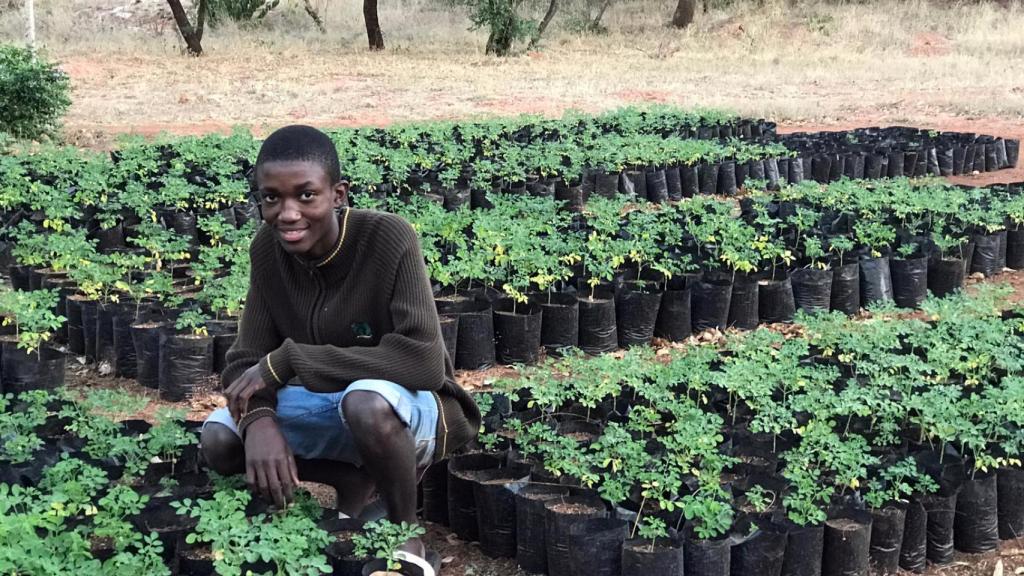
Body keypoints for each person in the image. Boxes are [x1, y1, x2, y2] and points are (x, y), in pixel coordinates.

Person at [200, 125, 480, 564]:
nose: (288, 213)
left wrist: (291, 359)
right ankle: (349, 480)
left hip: (413, 408)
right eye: (271, 197)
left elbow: (424, 362)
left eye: (305, 195)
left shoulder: (388, 239)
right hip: (331, 404)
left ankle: (404, 530)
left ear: (338, 194)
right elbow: (244, 362)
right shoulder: (268, 252)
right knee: (219, 439)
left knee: (365, 402)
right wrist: (259, 419)